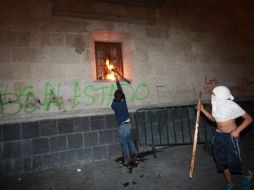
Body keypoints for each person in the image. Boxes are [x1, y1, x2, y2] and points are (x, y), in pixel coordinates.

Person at [200, 85, 253, 190]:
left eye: (214, 94)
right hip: (219, 137)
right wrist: (202, 110)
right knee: (221, 161)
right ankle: (230, 183)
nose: (212, 96)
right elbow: (214, 119)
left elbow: (249, 118)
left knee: (235, 160)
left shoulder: (232, 105)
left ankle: (247, 174)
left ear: (221, 96)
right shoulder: (215, 105)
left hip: (231, 137)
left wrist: (237, 131)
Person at [111, 75, 137, 165]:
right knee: (129, 139)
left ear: (115, 97)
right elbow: (121, 91)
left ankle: (127, 157)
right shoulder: (124, 102)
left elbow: (112, 105)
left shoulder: (115, 104)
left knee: (124, 142)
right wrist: (117, 81)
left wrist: (115, 98)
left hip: (122, 126)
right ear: (122, 97)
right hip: (128, 124)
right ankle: (133, 154)